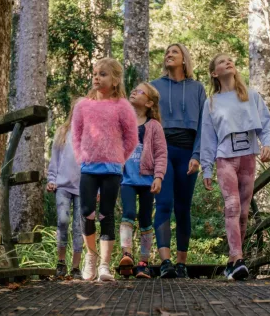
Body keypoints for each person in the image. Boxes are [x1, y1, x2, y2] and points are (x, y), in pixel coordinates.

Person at [200, 53, 270, 281]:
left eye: (229, 60)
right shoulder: (211, 102)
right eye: (221, 61)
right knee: (231, 206)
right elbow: (208, 137)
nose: (227, 62)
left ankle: (232, 263)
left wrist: (268, 145)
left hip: (248, 158)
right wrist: (207, 168)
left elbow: (266, 123)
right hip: (225, 159)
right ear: (215, 73)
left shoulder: (250, 95)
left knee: (243, 212)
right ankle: (238, 258)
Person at [71, 58, 138, 281]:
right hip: (89, 167)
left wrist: (119, 160)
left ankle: (104, 265)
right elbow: (76, 135)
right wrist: (82, 157)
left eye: (103, 74)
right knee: (87, 211)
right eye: (95, 73)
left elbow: (131, 138)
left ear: (116, 79)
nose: (97, 77)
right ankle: (90, 257)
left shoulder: (122, 107)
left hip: (112, 169)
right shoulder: (83, 105)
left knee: (106, 214)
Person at [150, 43, 207, 279]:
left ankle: (182, 263)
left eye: (174, 52)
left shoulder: (197, 88)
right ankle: (166, 262)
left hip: (187, 152)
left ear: (184, 59)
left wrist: (197, 155)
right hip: (162, 150)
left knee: (183, 208)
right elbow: (144, 118)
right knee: (163, 204)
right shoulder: (154, 87)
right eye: (167, 52)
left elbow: (205, 124)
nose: (169, 55)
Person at [117, 83, 167, 279]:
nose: (133, 92)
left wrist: (158, 177)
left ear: (148, 102)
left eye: (139, 91)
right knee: (128, 213)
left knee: (145, 219)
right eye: (134, 89)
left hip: (147, 180)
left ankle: (143, 263)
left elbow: (161, 154)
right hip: (127, 179)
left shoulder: (154, 126)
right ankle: (126, 255)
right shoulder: (124, 123)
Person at [46, 99, 83, 279]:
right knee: (62, 220)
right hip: (62, 185)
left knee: (79, 226)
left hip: (84, 188)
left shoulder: (91, 134)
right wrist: (52, 179)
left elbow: (94, 164)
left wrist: (97, 190)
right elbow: (55, 158)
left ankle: (76, 267)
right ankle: (61, 262)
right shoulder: (63, 131)